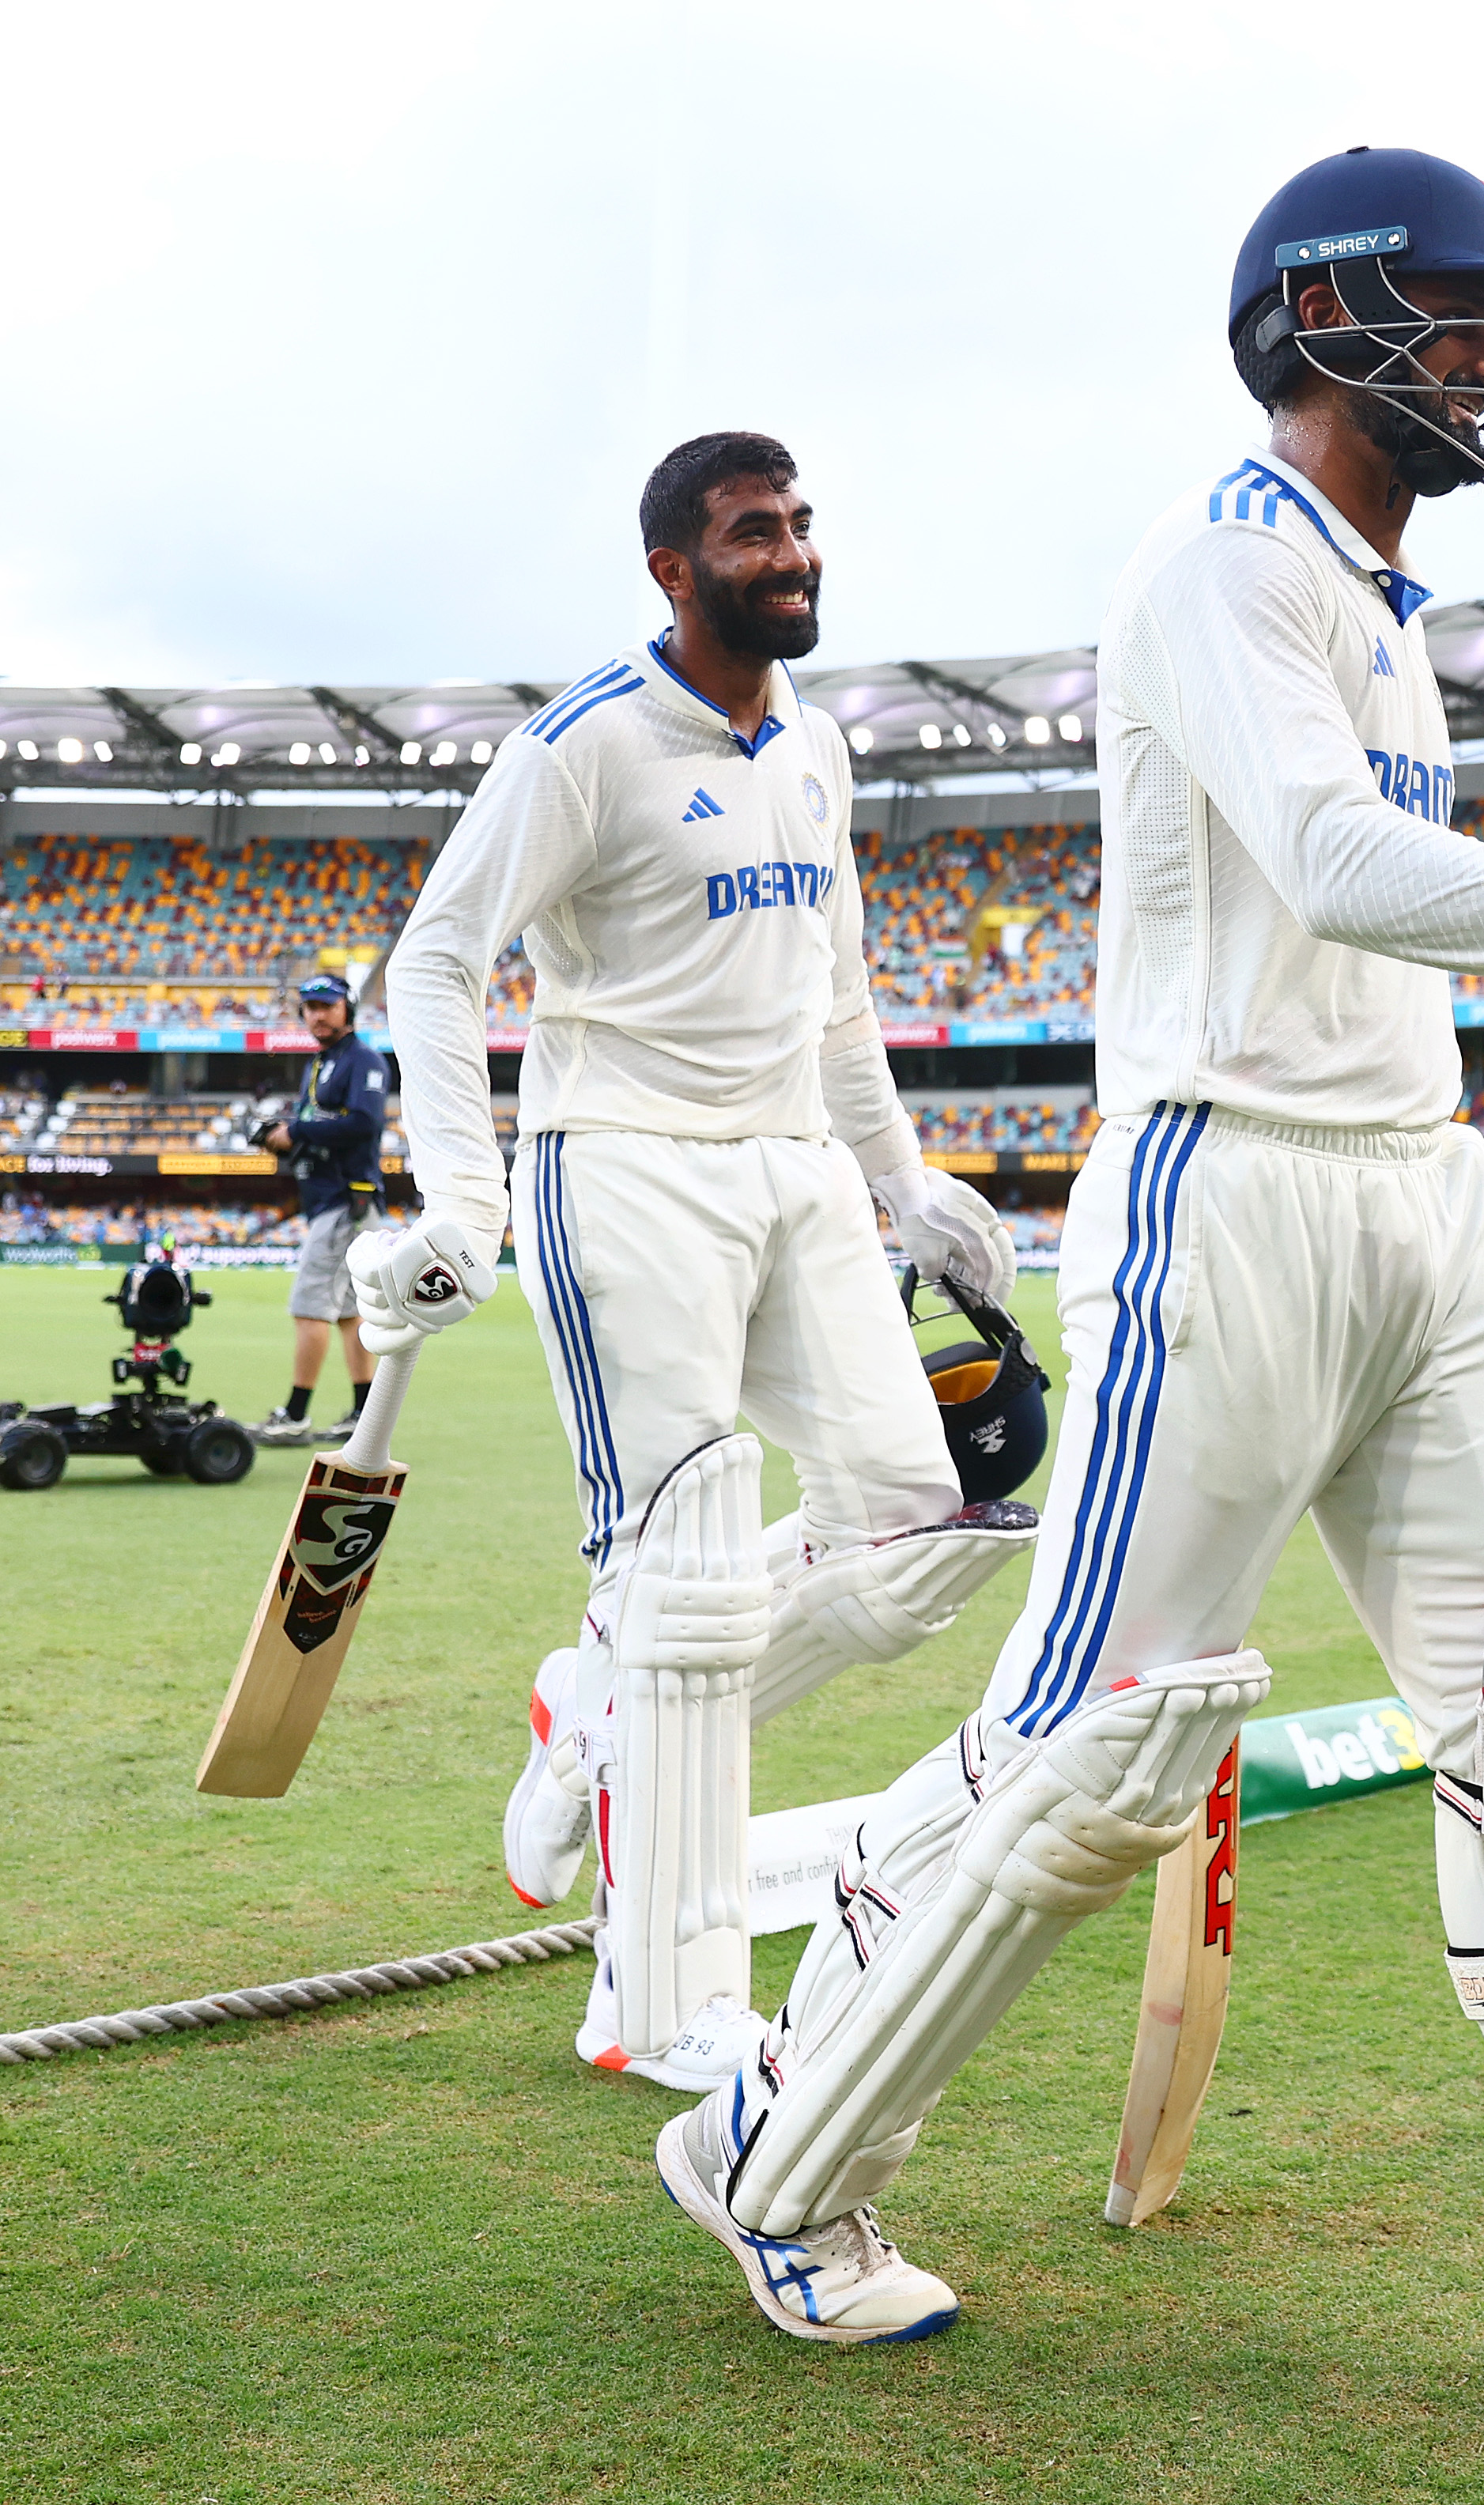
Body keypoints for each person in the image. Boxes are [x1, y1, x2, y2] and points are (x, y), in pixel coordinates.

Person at [651, 152, 1484, 2390]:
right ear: (1319, 316)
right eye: (1458, 318)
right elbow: (1339, 865)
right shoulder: (1214, 567)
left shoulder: (1378, 608)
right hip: (1223, 1198)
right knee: (1099, 1751)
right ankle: (776, 2151)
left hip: (1417, 1200)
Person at [357, 432, 1033, 2091]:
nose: (791, 553)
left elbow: (842, 988)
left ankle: (598, 1726)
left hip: (797, 1166)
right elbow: (436, 962)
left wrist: (902, 1178)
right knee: (680, 1578)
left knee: (936, 1519)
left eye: (801, 526)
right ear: (674, 565)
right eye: (754, 532)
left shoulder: (814, 742)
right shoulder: (585, 745)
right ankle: (654, 2005)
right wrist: (463, 1197)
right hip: (629, 1171)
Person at [251, 973, 391, 1445]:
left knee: (311, 1310)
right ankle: (362, 1414)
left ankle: (293, 1416)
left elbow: (365, 1121)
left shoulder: (362, 1059)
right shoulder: (322, 1063)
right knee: (352, 1313)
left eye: (327, 1006)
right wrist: (284, 1139)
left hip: (345, 1201)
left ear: (348, 1009)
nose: (317, 1014)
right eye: (310, 1007)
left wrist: (299, 1132)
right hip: (335, 1200)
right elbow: (317, 1127)